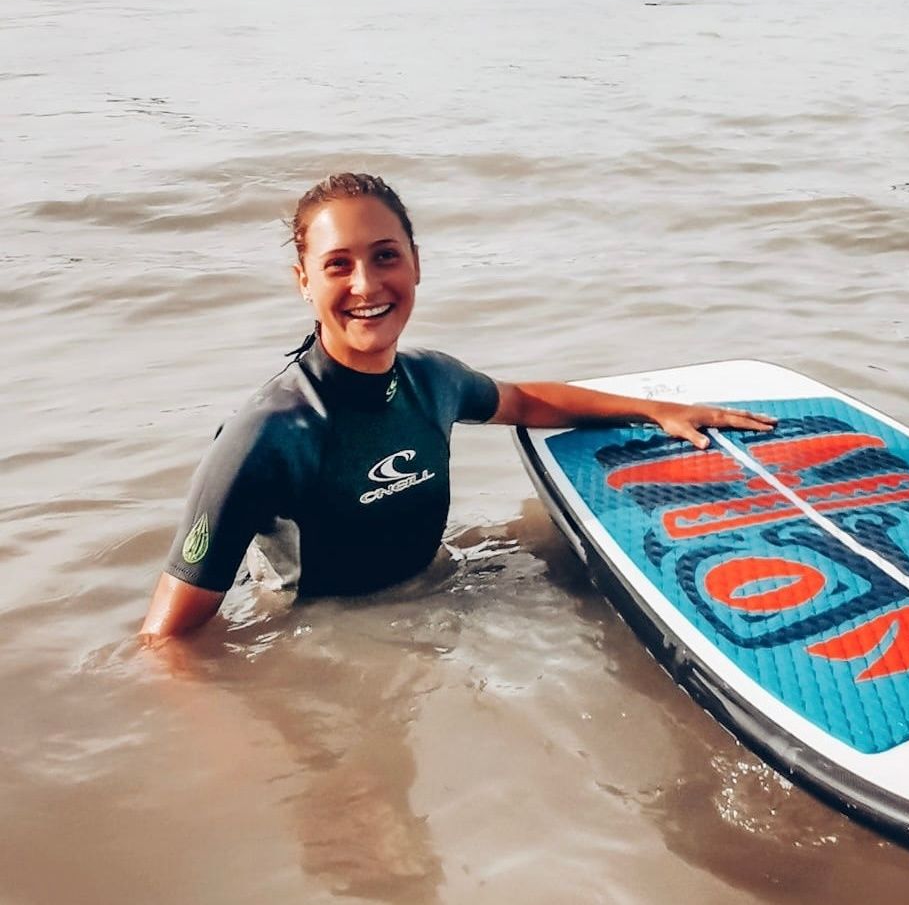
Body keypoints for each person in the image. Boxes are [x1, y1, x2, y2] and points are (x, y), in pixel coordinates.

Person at [140, 172, 775, 639]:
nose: (366, 285)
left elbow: (524, 400)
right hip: (326, 640)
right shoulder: (267, 436)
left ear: (416, 264)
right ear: (304, 281)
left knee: (575, 583)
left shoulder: (432, 380)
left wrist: (651, 410)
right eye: (338, 265)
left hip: (438, 599)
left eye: (385, 256)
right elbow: (167, 641)